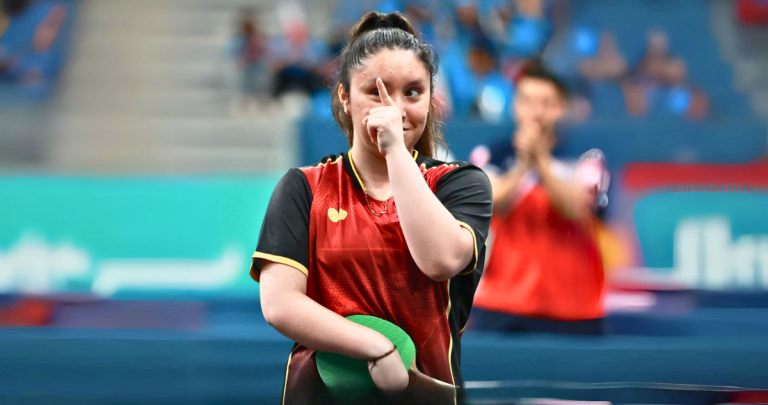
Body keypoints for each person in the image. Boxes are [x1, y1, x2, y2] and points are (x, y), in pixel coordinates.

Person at [252, 11, 493, 405]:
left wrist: (396, 150)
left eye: (413, 93)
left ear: (432, 99)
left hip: (425, 395)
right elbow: (280, 304)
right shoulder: (304, 187)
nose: (394, 109)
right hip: (320, 394)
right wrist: (376, 347)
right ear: (345, 97)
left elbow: (440, 260)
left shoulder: (460, 184)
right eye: (375, 91)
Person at [469, 61, 610, 335]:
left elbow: (574, 207)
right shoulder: (491, 155)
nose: (536, 111)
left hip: (575, 309)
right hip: (502, 305)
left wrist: (540, 161)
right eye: (527, 101)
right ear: (515, 106)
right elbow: (488, 201)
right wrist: (523, 164)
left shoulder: (587, 158)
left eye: (546, 103)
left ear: (561, 109)